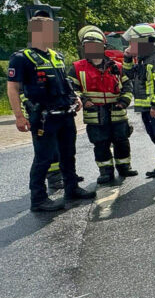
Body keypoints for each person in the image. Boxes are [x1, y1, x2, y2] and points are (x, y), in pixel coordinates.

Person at [6, 14, 96, 212]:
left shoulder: (57, 56)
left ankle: (71, 188)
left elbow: (65, 83)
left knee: (68, 154)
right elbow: (13, 88)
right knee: (43, 158)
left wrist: (76, 98)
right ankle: (38, 199)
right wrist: (19, 117)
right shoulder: (21, 58)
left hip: (65, 114)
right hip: (44, 118)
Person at [69, 25, 137, 184]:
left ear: (103, 47)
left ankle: (124, 167)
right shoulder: (77, 68)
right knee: (100, 144)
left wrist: (124, 101)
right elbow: (71, 89)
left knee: (122, 141)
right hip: (95, 114)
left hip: (117, 111)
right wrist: (84, 101)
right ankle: (105, 172)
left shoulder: (117, 66)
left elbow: (127, 86)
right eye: (88, 46)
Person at [122, 24, 155, 182]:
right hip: (146, 108)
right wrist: (127, 58)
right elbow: (127, 75)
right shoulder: (142, 60)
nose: (129, 45)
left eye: (132, 42)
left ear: (143, 42)